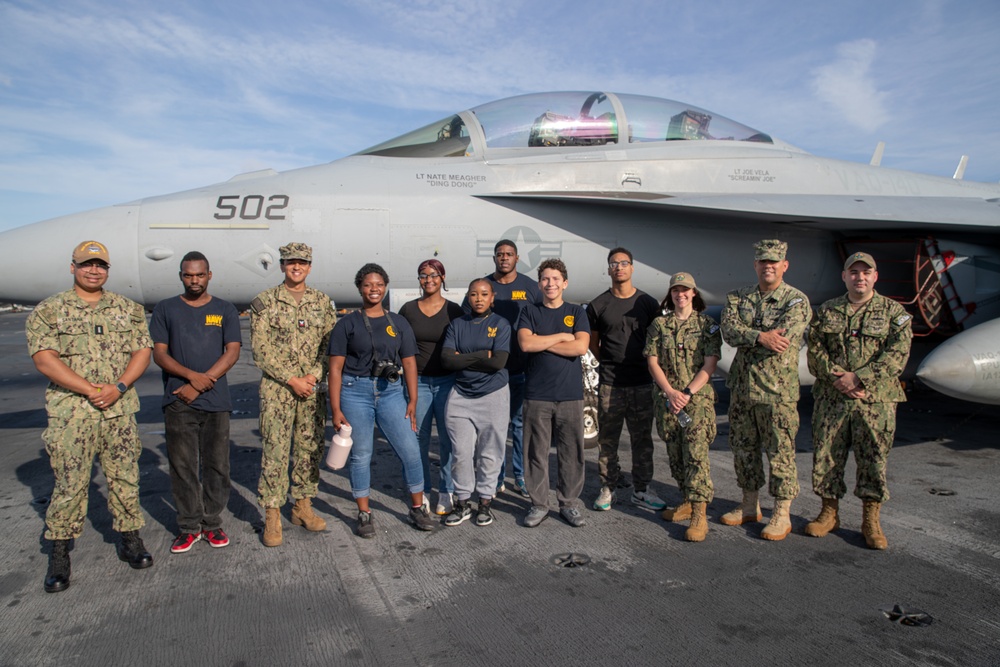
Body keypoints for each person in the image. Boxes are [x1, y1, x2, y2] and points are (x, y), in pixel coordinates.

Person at [26, 240, 153, 593]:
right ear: (73, 267)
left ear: (107, 270)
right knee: (70, 484)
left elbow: (142, 350)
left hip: (118, 410)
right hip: (73, 414)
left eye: (100, 265)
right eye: (86, 265)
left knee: (125, 477)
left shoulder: (126, 309)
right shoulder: (50, 310)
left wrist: (120, 386)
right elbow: (44, 359)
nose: (94, 270)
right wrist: (89, 389)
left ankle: (130, 539)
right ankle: (59, 553)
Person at [805, 252, 912, 549]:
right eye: (854, 272)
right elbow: (815, 352)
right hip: (833, 398)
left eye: (866, 272)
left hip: (874, 401)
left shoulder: (893, 312)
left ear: (875, 276)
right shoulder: (827, 311)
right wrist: (840, 378)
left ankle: (871, 520)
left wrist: (859, 377)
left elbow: (897, 355)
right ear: (844, 276)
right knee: (827, 457)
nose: (860, 277)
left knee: (873, 460)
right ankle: (829, 513)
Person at [328, 263, 437, 537]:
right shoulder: (347, 324)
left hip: (390, 392)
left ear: (385, 287)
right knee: (362, 455)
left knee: (411, 451)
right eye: (368, 284)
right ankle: (364, 513)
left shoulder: (398, 323)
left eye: (378, 284)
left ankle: (417, 507)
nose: (373, 289)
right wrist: (336, 408)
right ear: (360, 288)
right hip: (355, 392)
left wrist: (412, 400)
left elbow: (410, 362)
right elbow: (335, 369)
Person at [150, 251, 241, 553]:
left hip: (216, 402)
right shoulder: (166, 309)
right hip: (179, 400)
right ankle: (189, 527)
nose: (194, 280)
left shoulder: (224, 310)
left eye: (199, 275)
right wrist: (192, 378)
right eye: (188, 275)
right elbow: (160, 354)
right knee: (183, 467)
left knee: (217, 466)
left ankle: (212, 524)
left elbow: (232, 351)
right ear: (181, 276)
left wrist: (204, 382)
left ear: (209, 275)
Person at [720, 239, 811, 541]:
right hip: (743, 390)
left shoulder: (796, 301)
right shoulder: (738, 297)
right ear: (755, 265)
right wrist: (760, 337)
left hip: (777, 393)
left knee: (780, 453)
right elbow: (729, 332)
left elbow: (785, 337)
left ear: (784, 266)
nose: (768, 266)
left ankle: (782, 514)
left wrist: (750, 336)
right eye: (763, 261)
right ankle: (749, 505)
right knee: (743, 450)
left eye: (774, 262)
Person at [250, 242, 337, 548]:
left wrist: (312, 376)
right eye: (290, 262)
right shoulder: (264, 302)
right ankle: (272, 513)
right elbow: (260, 350)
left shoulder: (322, 302)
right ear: (282, 266)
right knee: (275, 451)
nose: (296, 267)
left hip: (311, 390)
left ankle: (302, 505)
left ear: (310, 267)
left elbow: (330, 346)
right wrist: (291, 379)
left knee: (309, 448)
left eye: (302, 262)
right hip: (278, 390)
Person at [644, 272, 721, 542]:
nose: (681, 294)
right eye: (676, 290)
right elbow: (652, 361)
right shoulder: (659, 325)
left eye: (685, 290)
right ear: (671, 294)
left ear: (694, 293)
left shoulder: (707, 325)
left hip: (696, 401)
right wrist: (670, 392)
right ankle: (686, 500)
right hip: (668, 400)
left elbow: (710, 364)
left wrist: (686, 393)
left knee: (696, 454)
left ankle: (699, 513)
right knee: (675, 453)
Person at [586, 247, 663, 512]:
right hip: (610, 383)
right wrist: (611, 360)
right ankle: (608, 488)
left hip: (642, 381)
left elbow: (658, 340)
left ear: (632, 267)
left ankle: (642, 490)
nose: (619, 267)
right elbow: (594, 344)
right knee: (608, 440)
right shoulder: (598, 305)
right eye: (614, 263)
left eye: (624, 263)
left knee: (642, 440)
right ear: (608, 270)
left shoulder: (648, 304)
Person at [518, 259, 591, 528]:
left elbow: (581, 348)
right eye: (546, 279)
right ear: (539, 284)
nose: (550, 284)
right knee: (535, 452)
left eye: (556, 279)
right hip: (537, 394)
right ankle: (539, 504)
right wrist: (562, 335)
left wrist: (542, 342)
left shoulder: (577, 312)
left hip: (570, 395)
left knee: (571, 452)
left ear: (565, 283)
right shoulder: (529, 311)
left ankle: (569, 504)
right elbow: (526, 344)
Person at [470, 239, 542, 497]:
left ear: (517, 258)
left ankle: (520, 476)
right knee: (495, 426)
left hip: (523, 369)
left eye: (509, 254)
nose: (504, 258)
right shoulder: (484, 287)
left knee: (520, 425)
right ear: (494, 258)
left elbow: (541, 321)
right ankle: (497, 476)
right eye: (500, 254)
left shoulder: (531, 288)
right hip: (493, 372)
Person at [440, 279, 511, 527]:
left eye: (484, 294)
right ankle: (462, 503)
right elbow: (447, 360)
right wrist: (483, 354)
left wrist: (464, 357)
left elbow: (498, 363)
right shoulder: (457, 325)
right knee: (461, 453)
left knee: (490, 453)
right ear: (468, 298)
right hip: (461, 395)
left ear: (492, 297)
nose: (478, 298)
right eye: (473, 294)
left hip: (494, 394)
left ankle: (484, 503)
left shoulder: (500, 324)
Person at [398, 259, 464, 515]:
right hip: (419, 383)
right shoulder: (408, 310)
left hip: (448, 382)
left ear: (443, 278)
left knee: (448, 441)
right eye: (423, 275)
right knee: (418, 440)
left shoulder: (454, 311)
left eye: (434, 275)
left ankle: (446, 491)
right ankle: (422, 489)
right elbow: (401, 347)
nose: (428, 280)